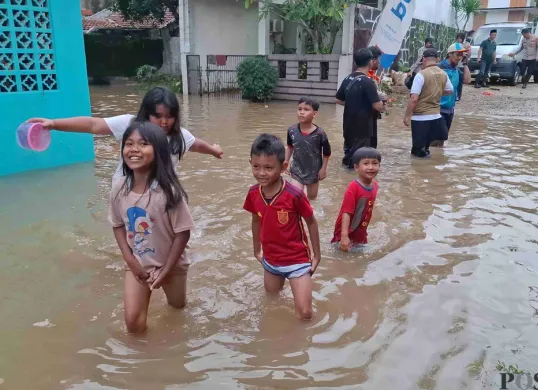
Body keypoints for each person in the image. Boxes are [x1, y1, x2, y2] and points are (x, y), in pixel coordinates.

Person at [107, 121, 194, 334]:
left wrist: (166, 270)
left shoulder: (169, 191)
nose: (134, 149)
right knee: (133, 324)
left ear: (158, 151)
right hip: (138, 264)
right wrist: (130, 260)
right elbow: (117, 224)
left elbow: (183, 233)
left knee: (177, 307)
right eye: (129, 144)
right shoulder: (119, 187)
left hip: (171, 265)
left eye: (143, 144)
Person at [27, 87, 223, 180]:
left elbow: (196, 145)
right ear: (147, 113)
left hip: (162, 194)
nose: (164, 122)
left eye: (170, 116)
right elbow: (93, 125)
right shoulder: (130, 124)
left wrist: (214, 151)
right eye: (158, 116)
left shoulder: (177, 135)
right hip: (127, 190)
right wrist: (53, 124)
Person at [243, 134, 321, 320]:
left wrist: (317, 255)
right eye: (256, 167)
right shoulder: (253, 194)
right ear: (250, 163)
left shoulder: (294, 194)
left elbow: (311, 221)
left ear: (284, 167)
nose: (261, 173)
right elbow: (255, 219)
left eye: (268, 168)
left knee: (305, 314)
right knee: (272, 303)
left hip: (297, 260)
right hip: (271, 261)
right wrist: (256, 250)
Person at [336, 48, 385, 168]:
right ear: (370, 62)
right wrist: (384, 103)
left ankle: (344, 180)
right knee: (360, 160)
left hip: (348, 124)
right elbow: (377, 106)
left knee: (349, 155)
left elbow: (338, 99)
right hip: (363, 127)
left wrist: (354, 103)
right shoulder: (367, 82)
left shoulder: (348, 78)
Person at [403, 49, 454, 158]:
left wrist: (407, 116)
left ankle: (419, 173)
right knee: (427, 149)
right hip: (436, 118)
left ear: (424, 59)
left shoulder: (421, 75)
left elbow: (414, 99)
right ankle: (430, 172)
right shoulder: (443, 73)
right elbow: (450, 91)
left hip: (420, 119)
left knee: (418, 153)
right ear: (436, 59)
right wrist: (437, 92)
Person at [331, 147, 380, 252]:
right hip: (346, 229)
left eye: (375, 163)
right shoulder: (354, 187)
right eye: (366, 163)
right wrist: (344, 236)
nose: (371, 167)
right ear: (357, 167)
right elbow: (346, 212)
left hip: (361, 228)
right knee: (341, 252)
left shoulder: (375, 185)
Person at [285, 98, 331, 200]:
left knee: (312, 198)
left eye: (306, 110)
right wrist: (286, 162)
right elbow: (290, 147)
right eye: (299, 109)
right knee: (295, 196)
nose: (301, 112)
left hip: (314, 172)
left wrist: (323, 169)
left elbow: (327, 153)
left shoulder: (320, 134)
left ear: (314, 114)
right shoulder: (291, 130)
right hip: (297, 170)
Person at [431, 43, 472, 147]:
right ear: (450, 54)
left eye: (461, 55)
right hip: (437, 109)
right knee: (435, 140)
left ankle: (437, 159)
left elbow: (468, 80)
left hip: (450, 110)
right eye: (458, 55)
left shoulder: (457, 70)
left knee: (442, 139)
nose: (459, 58)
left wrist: (465, 64)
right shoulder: (438, 67)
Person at [367, 45, 389, 149]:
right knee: (369, 146)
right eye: (378, 59)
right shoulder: (366, 77)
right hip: (367, 116)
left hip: (372, 115)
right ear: (373, 60)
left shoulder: (372, 75)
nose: (379, 62)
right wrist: (382, 97)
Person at [455, 32, 471, 101]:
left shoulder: (467, 44)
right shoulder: (455, 45)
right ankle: (455, 95)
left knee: (460, 81)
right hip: (456, 64)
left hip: (462, 64)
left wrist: (465, 54)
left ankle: (459, 95)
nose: (459, 40)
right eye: (458, 38)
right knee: (455, 81)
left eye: (460, 38)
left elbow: (469, 53)